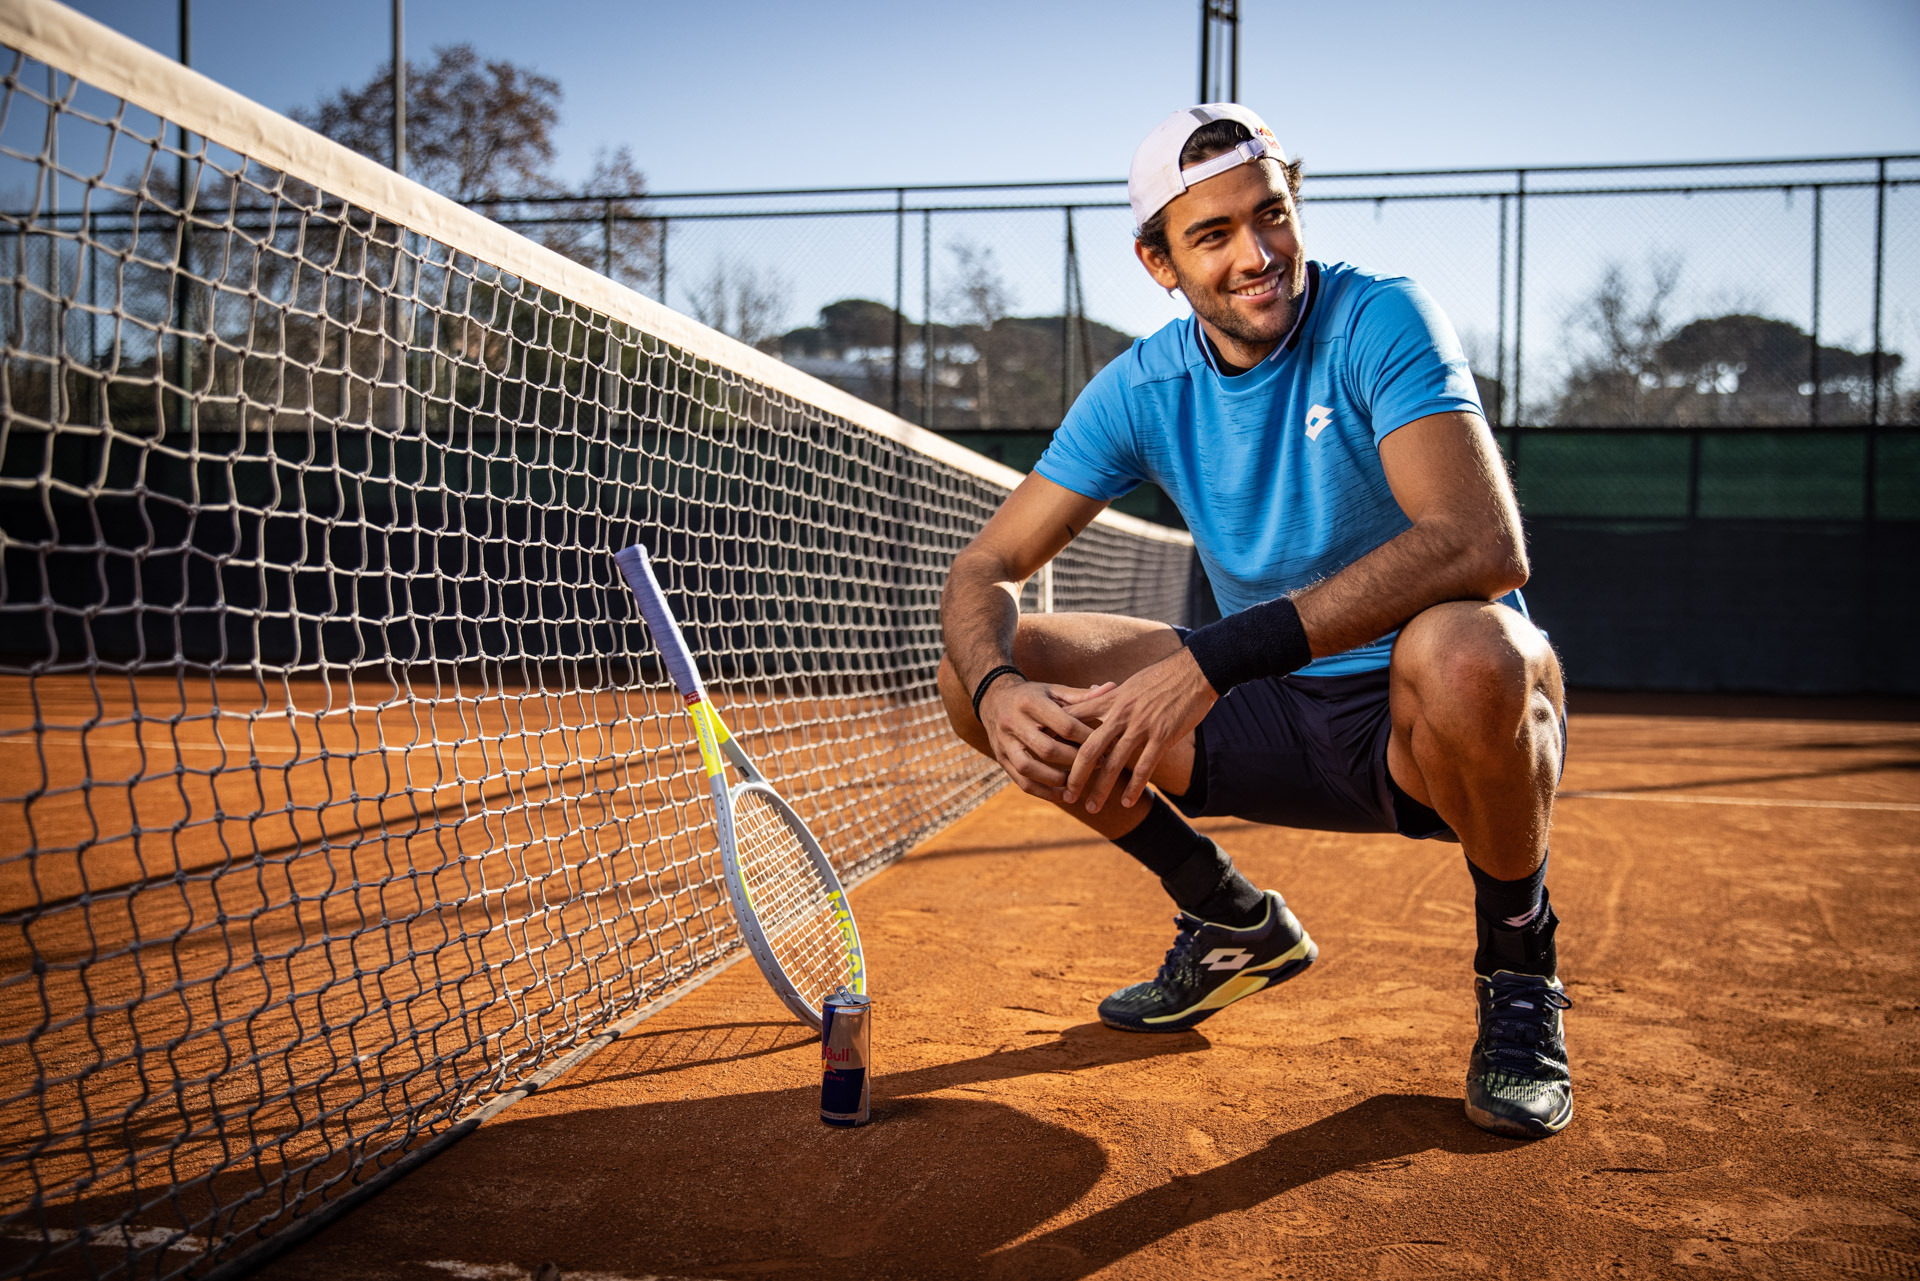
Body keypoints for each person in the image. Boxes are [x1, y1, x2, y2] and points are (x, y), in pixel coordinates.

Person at [935, 104, 1572, 1140]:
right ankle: (1229, 919)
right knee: (977, 669)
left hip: (1427, 728)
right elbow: (986, 565)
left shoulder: (1380, 319)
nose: (1257, 255)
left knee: (1477, 648)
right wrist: (1001, 690)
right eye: (1213, 235)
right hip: (1269, 713)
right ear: (1159, 265)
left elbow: (1480, 544)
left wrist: (1217, 659)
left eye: (1270, 215)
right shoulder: (1142, 387)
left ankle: (1518, 970)